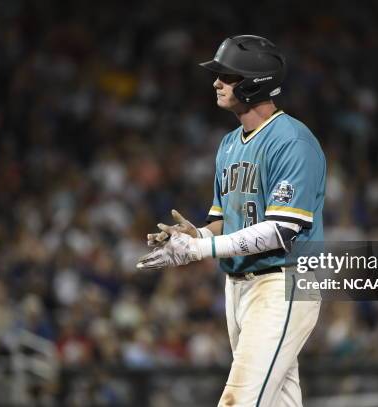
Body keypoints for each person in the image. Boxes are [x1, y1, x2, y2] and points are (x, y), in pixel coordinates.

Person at [137, 35, 326, 407]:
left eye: (227, 75)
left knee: (239, 402)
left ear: (255, 83)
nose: (216, 82)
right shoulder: (228, 144)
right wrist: (193, 235)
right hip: (238, 287)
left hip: (282, 282)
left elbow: (281, 230)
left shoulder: (292, 140)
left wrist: (201, 248)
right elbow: (222, 220)